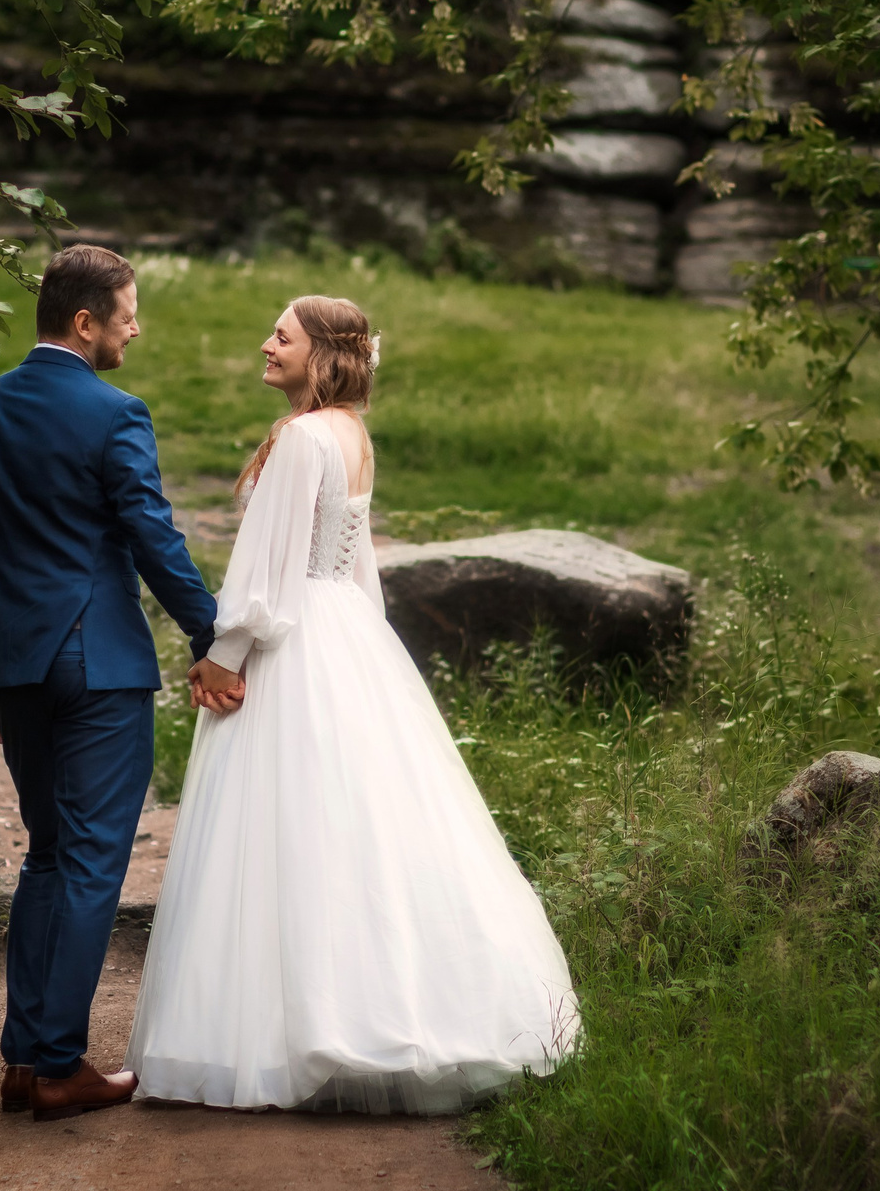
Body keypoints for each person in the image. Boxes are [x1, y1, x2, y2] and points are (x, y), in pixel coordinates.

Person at [125, 294, 580, 1112]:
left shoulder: (302, 438)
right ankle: (378, 1008)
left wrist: (222, 655)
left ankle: (290, 1031)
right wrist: (369, 653)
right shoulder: (351, 435)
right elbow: (355, 562)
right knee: (351, 825)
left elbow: (266, 571)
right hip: (344, 634)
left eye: (283, 336)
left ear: (323, 353)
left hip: (293, 639)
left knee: (279, 830)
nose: (265, 344)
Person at [0, 245, 245, 1123]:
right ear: (87, 321)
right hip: (97, 668)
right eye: (128, 311)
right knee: (91, 859)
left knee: (47, 850)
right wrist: (211, 630)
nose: (135, 326)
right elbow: (152, 535)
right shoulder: (115, 413)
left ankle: (23, 1060)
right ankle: (61, 1064)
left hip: (16, 667)